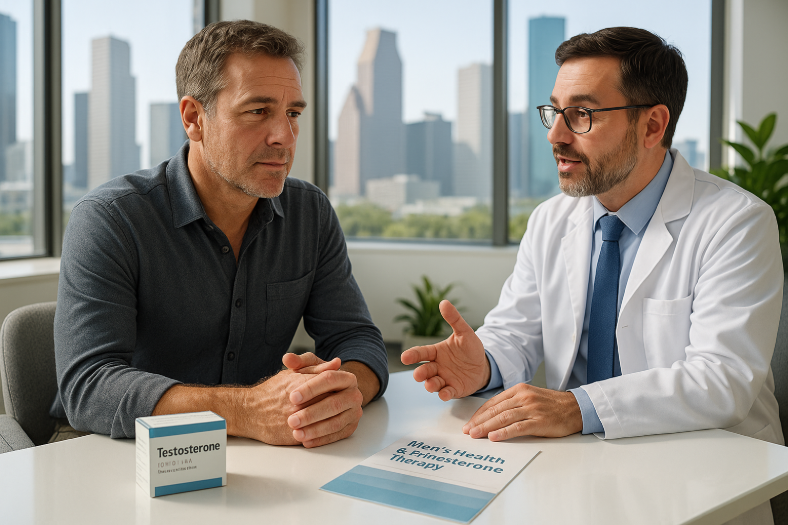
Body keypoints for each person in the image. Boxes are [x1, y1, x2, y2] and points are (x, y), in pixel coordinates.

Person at [402, 26, 782, 524]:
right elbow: (516, 331)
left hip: (707, 475)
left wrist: (576, 408)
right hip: (580, 470)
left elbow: (722, 379)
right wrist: (487, 364)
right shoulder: (551, 219)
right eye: (554, 111)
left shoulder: (735, 221)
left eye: (581, 114)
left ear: (652, 126)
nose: (556, 135)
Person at [53, 20, 388, 449]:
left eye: (293, 114)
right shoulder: (110, 219)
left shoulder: (310, 212)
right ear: (194, 118)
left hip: (252, 448)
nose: (284, 137)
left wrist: (341, 391)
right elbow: (88, 387)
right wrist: (248, 409)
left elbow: (357, 338)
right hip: (114, 447)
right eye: (257, 111)